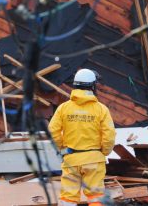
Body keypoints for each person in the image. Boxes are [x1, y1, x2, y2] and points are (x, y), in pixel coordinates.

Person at [48, 68, 116, 206]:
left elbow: (52, 131)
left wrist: (62, 149)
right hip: (94, 160)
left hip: (71, 160)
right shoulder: (101, 109)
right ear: (92, 85)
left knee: (68, 198)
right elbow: (109, 135)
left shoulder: (64, 108)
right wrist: (103, 152)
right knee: (96, 197)